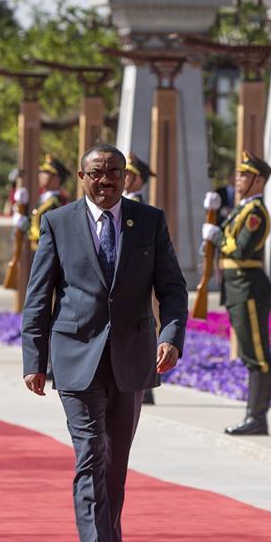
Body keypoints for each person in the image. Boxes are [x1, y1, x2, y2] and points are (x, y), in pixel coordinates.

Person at [20, 143, 187, 542]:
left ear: (126, 176)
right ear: (82, 176)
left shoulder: (149, 222)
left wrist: (171, 337)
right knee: (91, 453)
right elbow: (39, 296)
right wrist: (33, 359)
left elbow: (172, 288)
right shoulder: (57, 222)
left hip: (131, 358)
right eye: (97, 172)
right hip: (76, 357)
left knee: (115, 462)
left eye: (114, 171)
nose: (106, 179)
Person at [201, 150, 271, 436]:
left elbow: (240, 248)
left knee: (257, 354)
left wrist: (216, 234)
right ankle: (252, 414)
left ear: (258, 181)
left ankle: (257, 417)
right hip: (236, 288)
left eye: (244, 174)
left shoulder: (255, 212)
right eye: (238, 173)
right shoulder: (241, 209)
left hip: (249, 288)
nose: (238, 178)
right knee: (248, 353)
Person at [123, 152, 158, 406]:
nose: (124, 177)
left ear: (139, 180)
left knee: (141, 330)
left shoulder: (142, 211)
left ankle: (146, 387)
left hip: (137, 280)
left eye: (129, 174)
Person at [22, 154, 69, 251]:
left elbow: (48, 232)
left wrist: (27, 228)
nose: (40, 175)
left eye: (46, 172)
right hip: (39, 250)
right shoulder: (44, 199)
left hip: (49, 252)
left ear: (56, 178)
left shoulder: (56, 203)